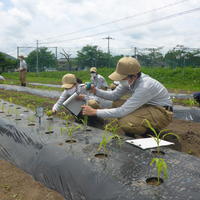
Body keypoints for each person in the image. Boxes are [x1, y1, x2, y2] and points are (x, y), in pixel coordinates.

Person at [82, 57, 173, 136]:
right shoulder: (129, 81)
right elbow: (114, 95)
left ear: (133, 76)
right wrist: (95, 91)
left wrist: (95, 112)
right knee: (117, 104)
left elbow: (122, 111)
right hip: (147, 106)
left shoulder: (145, 86)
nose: (120, 81)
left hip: (161, 111)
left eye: (122, 78)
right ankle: (136, 131)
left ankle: (150, 133)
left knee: (126, 122)